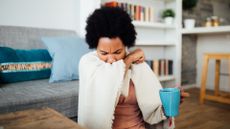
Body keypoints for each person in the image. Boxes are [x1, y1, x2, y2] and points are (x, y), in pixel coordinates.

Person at [78, 7, 187, 129]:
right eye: (104, 53)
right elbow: (107, 81)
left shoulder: (138, 67)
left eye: (117, 52)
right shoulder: (87, 63)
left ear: (126, 45)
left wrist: (168, 106)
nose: (111, 59)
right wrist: (129, 59)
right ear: (95, 47)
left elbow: (154, 112)